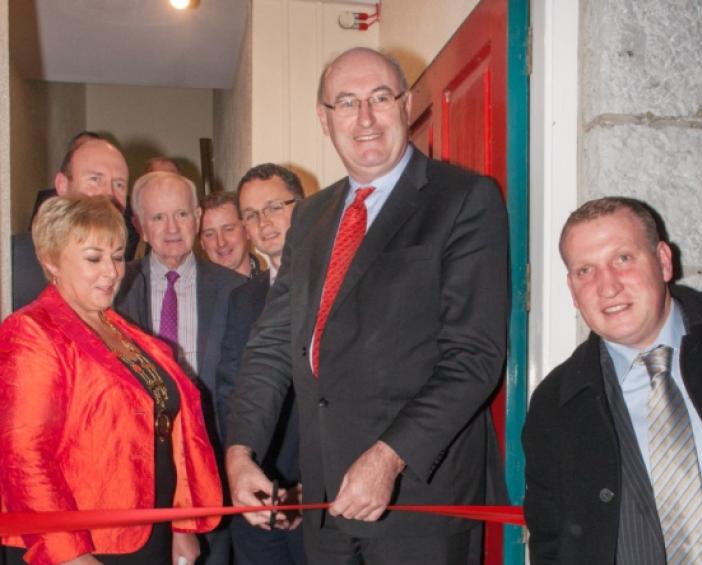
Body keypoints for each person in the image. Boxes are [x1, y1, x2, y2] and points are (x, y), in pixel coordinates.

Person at [225, 47, 509, 565]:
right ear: (324, 118)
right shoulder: (310, 217)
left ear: (406, 105)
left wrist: (388, 456)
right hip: (327, 507)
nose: (365, 118)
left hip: (419, 501)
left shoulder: (464, 199)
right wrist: (241, 453)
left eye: (380, 98)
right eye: (347, 102)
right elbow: (271, 347)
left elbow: (473, 357)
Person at [522, 196, 702, 565]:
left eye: (623, 259)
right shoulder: (555, 405)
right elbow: (551, 542)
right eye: (585, 271)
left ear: (664, 261)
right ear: (572, 291)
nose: (608, 286)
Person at [0, 195, 221, 565]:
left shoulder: (121, 330)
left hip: (149, 532)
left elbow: (166, 431)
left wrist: (181, 525)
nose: (112, 272)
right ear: (51, 260)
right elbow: (24, 456)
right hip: (88, 543)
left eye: (117, 257)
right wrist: (69, 554)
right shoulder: (32, 330)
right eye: (93, 258)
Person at [116, 172, 246, 565]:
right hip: (137, 470)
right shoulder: (114, 289)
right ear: (138, 225)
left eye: (181, 215)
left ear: (197, 216)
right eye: (157, 218)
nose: (172, 229)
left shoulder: (236, 291)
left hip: (213, 464)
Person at [216, 164, 306, 565]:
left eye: (274, 207)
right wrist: (242, 469)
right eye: (250, 215)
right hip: (253, 496)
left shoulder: (337, 288)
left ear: (302, 209)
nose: (263, 222)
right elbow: (230, 390)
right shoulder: (242, 298)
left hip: (321, 499)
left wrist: (309, 485)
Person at [12, 136, 129, 310]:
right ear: (63, 185)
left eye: (119, 184)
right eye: (95, 179)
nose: (108, 193)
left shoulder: (133, 269)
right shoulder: (15, 260)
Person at [199, 191, 259, 278]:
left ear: (247, 231)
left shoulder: (275, 287)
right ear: (202, 243)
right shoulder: (193, 290)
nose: (221, 243)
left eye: (229, 229)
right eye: (209, 234)